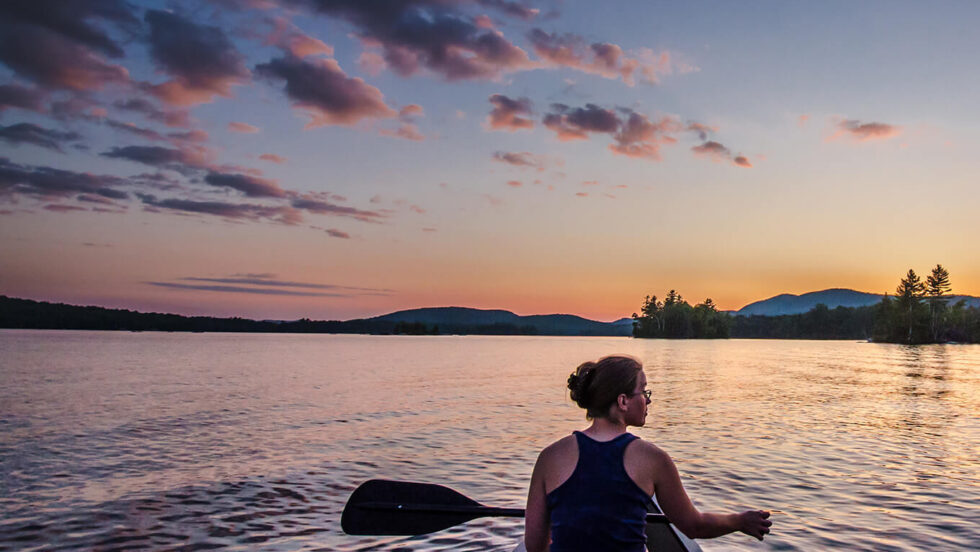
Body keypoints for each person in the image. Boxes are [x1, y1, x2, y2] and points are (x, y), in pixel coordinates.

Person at [524, 355, 772, 552]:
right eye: (643, 392)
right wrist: (740, 521)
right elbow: (693, 525)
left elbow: (534, 546)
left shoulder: (549, 457)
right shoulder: (653, 459)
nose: (648, 400)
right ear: (623, 401)